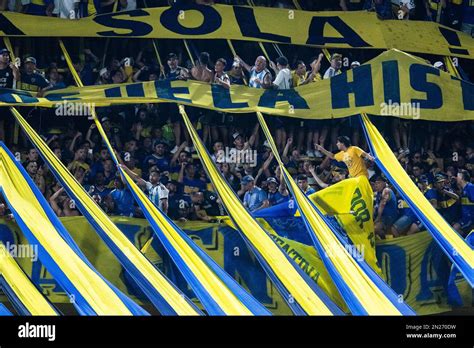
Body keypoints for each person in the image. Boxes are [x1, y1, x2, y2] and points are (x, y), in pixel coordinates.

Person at [453, 170, 474, 235]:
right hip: (464, 217)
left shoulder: (470, 187)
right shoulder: (464, 189)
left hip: (470, 217)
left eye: (457, 176)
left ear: (461, 178)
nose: (456, 178)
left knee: (455, 228)